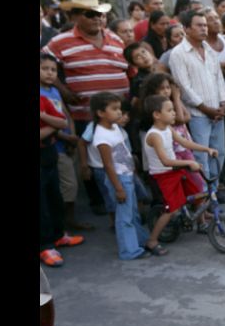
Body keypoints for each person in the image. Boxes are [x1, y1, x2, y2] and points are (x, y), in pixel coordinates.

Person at [44, 0, 129, 216]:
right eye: (89, 14)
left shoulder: (115, 39)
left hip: (118, 115)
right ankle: (100, 203)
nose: (97, 18)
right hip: (85, 115)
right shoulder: (60, 41)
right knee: (93, 162)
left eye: (99, 14)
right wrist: (62, 89)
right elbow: (43, 66)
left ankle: (119, 201)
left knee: (121, 158)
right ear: (74, 16)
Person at [143, 94, 218, 253]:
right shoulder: (154, 135)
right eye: (169, 110)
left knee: (198, 191)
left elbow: (184, 142)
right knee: (172, 210)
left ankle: (200, 221)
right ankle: (152, 240)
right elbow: (166, 161)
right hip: (163, 174)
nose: (174, 113)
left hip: (175, 170)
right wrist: (188, 163)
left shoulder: (168, 129)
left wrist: (206, 149)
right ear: (157, 115)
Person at [169, 10, 225, 197]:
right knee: (201, 156)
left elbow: (219, 78)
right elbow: (183, 87)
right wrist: (205, 109)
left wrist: (223, 103)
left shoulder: (210, 50)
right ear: (186, 28)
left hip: (217, 112)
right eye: (199, 25)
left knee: (218, 153)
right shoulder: (178, 54)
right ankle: (203, 196)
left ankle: (213, 191)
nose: (204, 28)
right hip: (198, 115)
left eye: (205, 25)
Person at [90, 92, 151, 260]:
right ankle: (129, 251)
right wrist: (118, 188)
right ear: (101, 113)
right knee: (125, 217)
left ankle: (140, 241)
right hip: (119, 179)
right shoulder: (101, 136)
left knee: (132, 213)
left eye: (119, 109)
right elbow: (108, 165)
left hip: (127, 175)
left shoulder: (115, 127)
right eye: (114, 109)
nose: (119, 112)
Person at [40, 53, 93, 232]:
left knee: (69, 184)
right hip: (54, 144)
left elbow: (65, 114)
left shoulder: (53, 91)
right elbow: (51, 122)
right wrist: (64, 135)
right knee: (67, 184)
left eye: (53, 70)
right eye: (44, 69)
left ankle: (65, 221)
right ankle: (64, 222)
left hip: (67, 142)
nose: (49, 73)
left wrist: (73, 134)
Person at [40, 78, 86, 268]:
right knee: (40, 204)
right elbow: (57, 124)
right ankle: (45, 245)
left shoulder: (43, 99)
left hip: (48, 153)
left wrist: (45, 119)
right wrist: (53, 124)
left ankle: (58, 235)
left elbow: (63, 120)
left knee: (54, 196)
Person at [139, 72, 205, 193]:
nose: (166, 91)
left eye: (168, 87)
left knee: (195, 180)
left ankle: (201, 209)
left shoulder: (171, 105)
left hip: (183, 145)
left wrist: (176, 100)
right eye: (162, 88)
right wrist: (176, 97)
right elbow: (180, 119)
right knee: (190, 180)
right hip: (175, 151)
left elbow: (187, 117)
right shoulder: (161, 111)